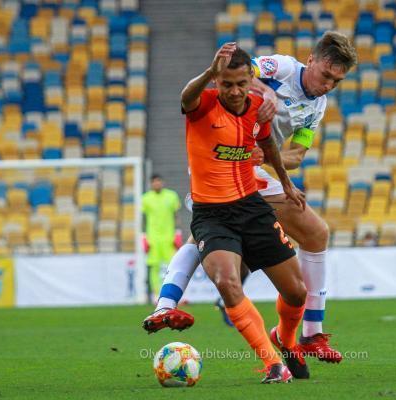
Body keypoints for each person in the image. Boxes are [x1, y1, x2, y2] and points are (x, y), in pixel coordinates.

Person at [145, 31, 358, 363]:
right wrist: (265, 93)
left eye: (336, 81)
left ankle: (310, 333)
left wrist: (267, 157)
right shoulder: (283, 68)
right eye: (325, 75)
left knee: (312, 234)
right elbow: (240, 74)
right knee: (206, 234)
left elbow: (296, 155)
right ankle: (170, 304)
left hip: (254, 166)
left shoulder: (317, 106)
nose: (328, 85)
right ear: (311, 61)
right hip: (221, 158)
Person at [164, 43, 310, 383]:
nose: (233, 91)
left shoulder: (257, 108)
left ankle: (286, 340)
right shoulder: (203, 103)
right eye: (226, 84)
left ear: (250, 81)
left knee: (296, 292)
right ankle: (273, 364)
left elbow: (268, 144)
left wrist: (286, 183)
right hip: (211, 214)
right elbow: (186, 97)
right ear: (217, 81)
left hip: (251, 207)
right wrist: (208, 72)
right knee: (227, 282)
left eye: (241, 83)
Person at [141, 174, 181, 302]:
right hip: (153, 238)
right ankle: (156, 295)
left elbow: (176, 215)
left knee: (174, 266)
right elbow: (143, 218)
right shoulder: (145, 198)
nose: (157, 184)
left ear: (162, 182)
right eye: (154, 182)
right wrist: (144, 236)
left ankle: (176, 294)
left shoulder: (172, 196)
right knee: (154, 267)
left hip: (169, 237)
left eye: (158, 181)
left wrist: (178, 233)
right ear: (151, 184)